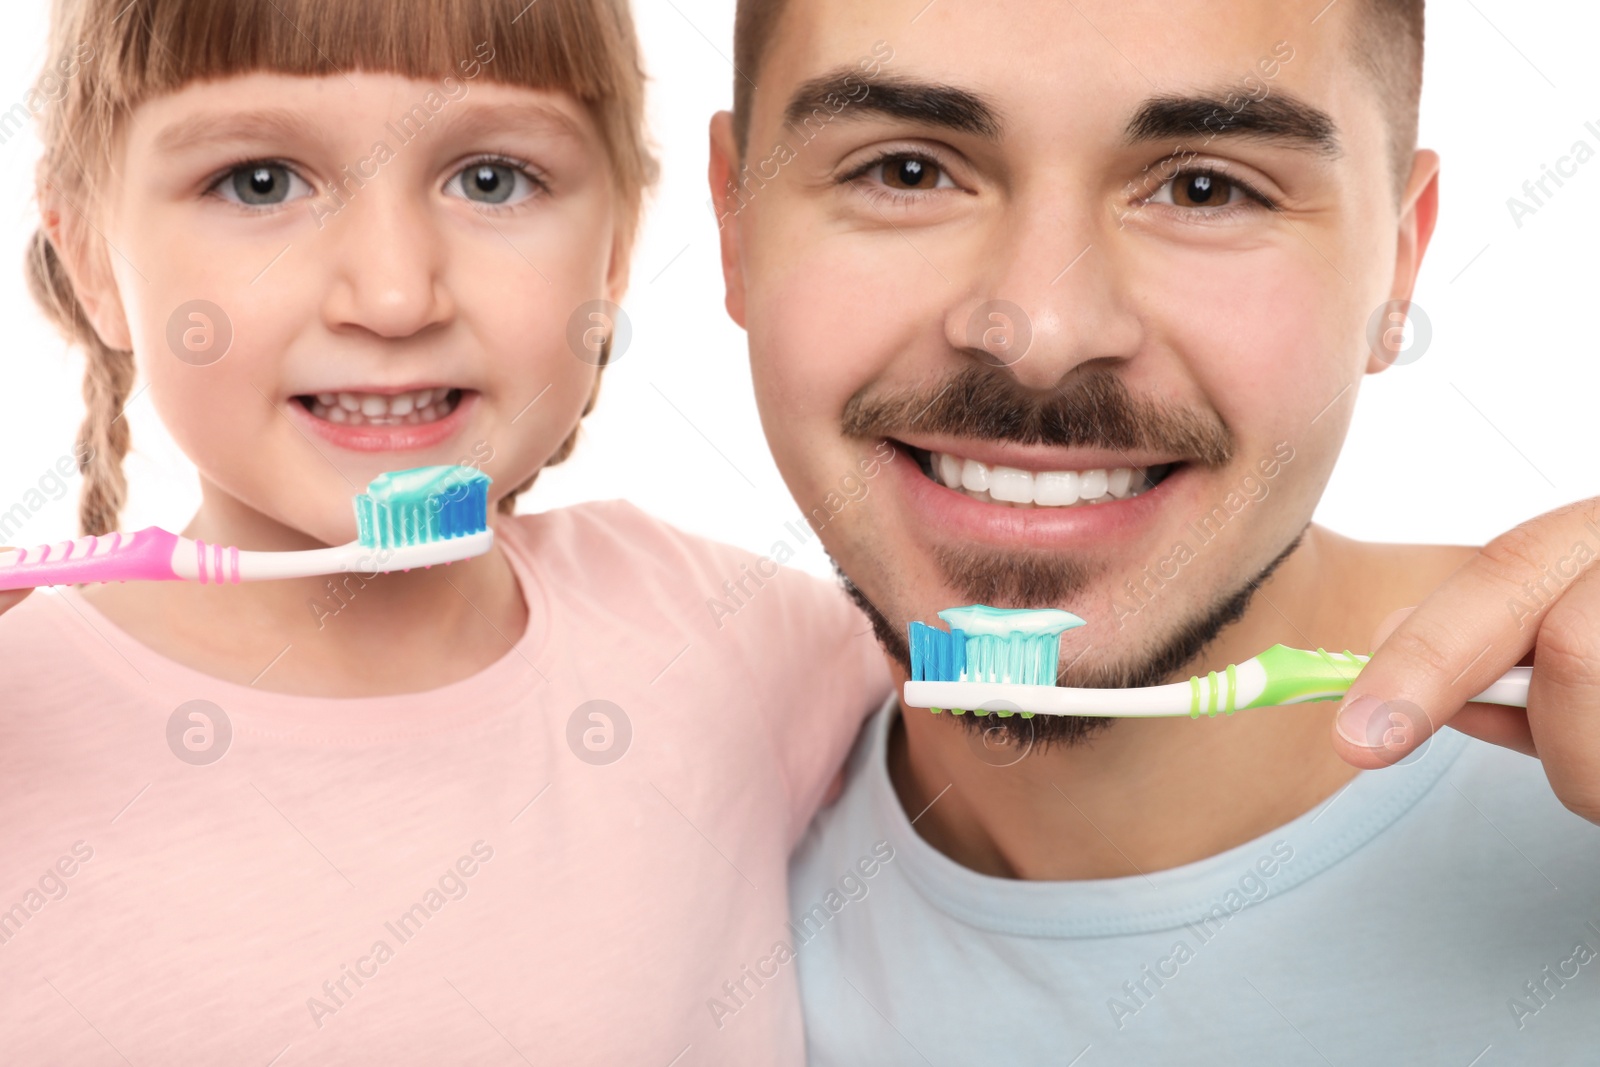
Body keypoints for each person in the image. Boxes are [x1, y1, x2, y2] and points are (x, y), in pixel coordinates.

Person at [707, 0, 1600, 1061]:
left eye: (1203, 187)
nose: (1041, 333)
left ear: (1398, 265)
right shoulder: (668, 864)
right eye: (906, 171)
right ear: (734, 222)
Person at [0, 1, 887, 1061]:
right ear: (92, 257)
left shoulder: (747, 644)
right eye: (260, 181)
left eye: (490, 179)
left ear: (613, 256)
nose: (391, 293)